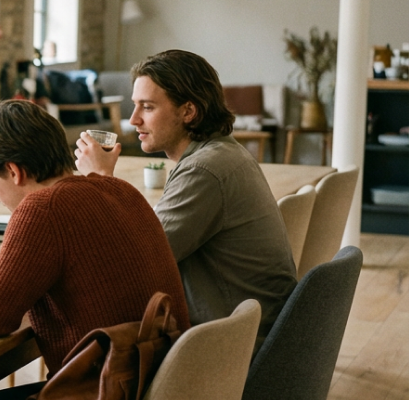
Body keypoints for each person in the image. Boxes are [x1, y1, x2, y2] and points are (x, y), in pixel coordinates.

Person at [0, 100, 190, 398]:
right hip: (157, 381)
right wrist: (3, 277)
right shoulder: (121, 190)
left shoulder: (41, 208)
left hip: (109, 389)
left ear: (14, 171)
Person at [73, 49, 297, 345]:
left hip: (232, 350)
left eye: (147, 107)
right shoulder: (221, 154)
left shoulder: (205, 170)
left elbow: (129, 264)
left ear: (188, 111)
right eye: (135, 106)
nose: (134, 119)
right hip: (247, 334)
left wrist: (99, 181)